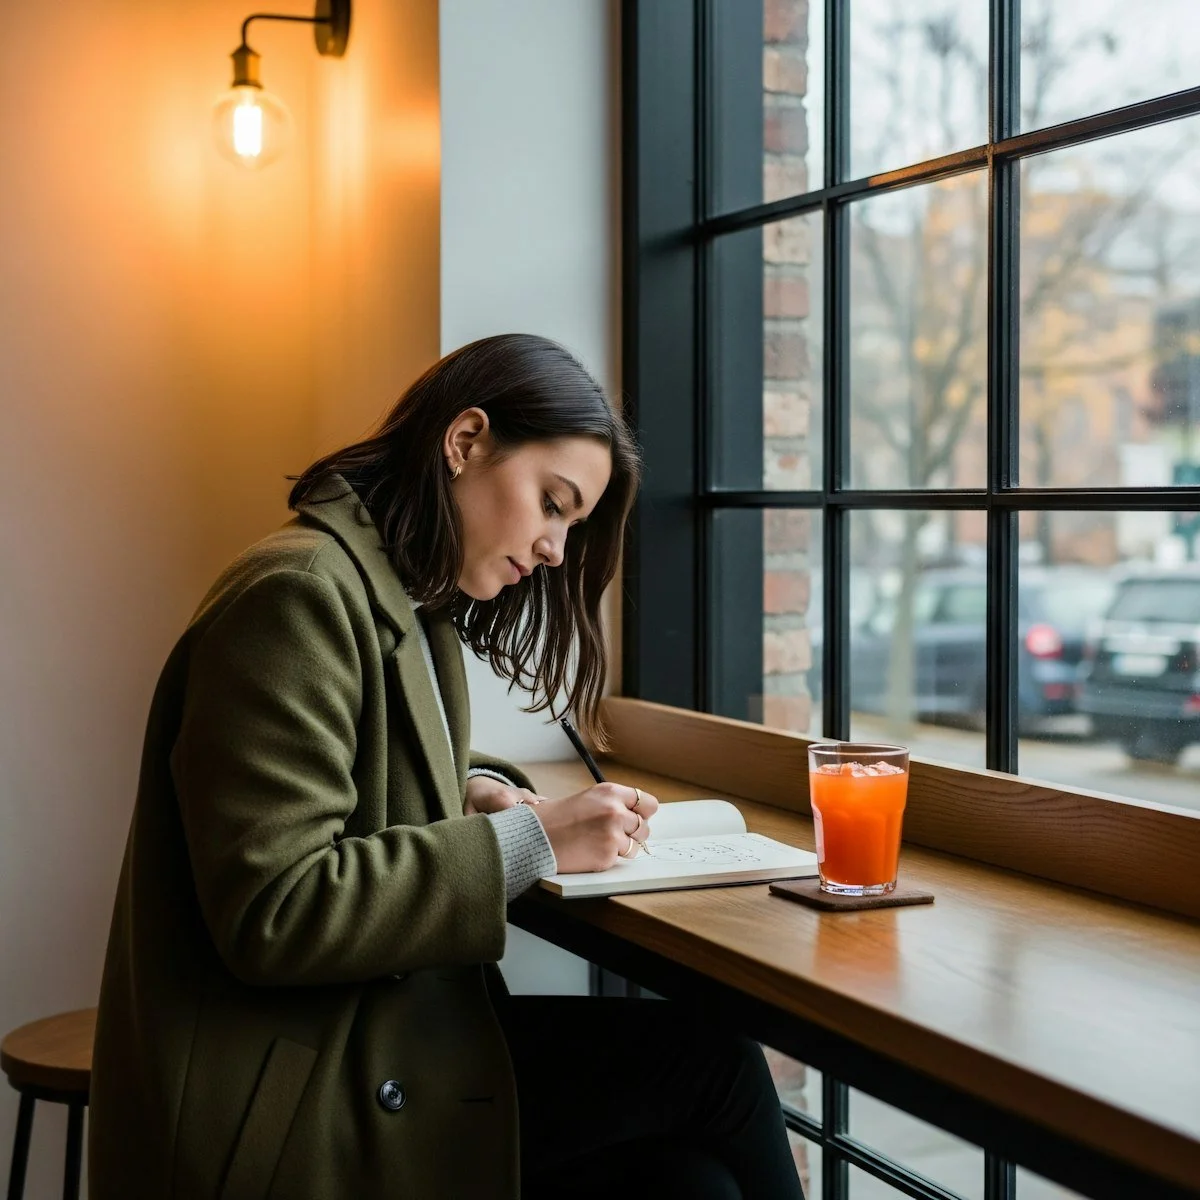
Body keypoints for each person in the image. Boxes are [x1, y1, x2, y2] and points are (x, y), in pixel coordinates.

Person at [89, 333, 805, 1199]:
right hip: (306, 1097)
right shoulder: (296, 594)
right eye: (552, 503)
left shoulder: (397, 594)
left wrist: (473, 786)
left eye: (571, 526)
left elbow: (356, 747)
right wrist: (527, 842)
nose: (554, 550)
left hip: (374, 1041)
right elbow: (276, 910)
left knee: (691, 1180)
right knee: (713, 1068)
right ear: (465, 442)